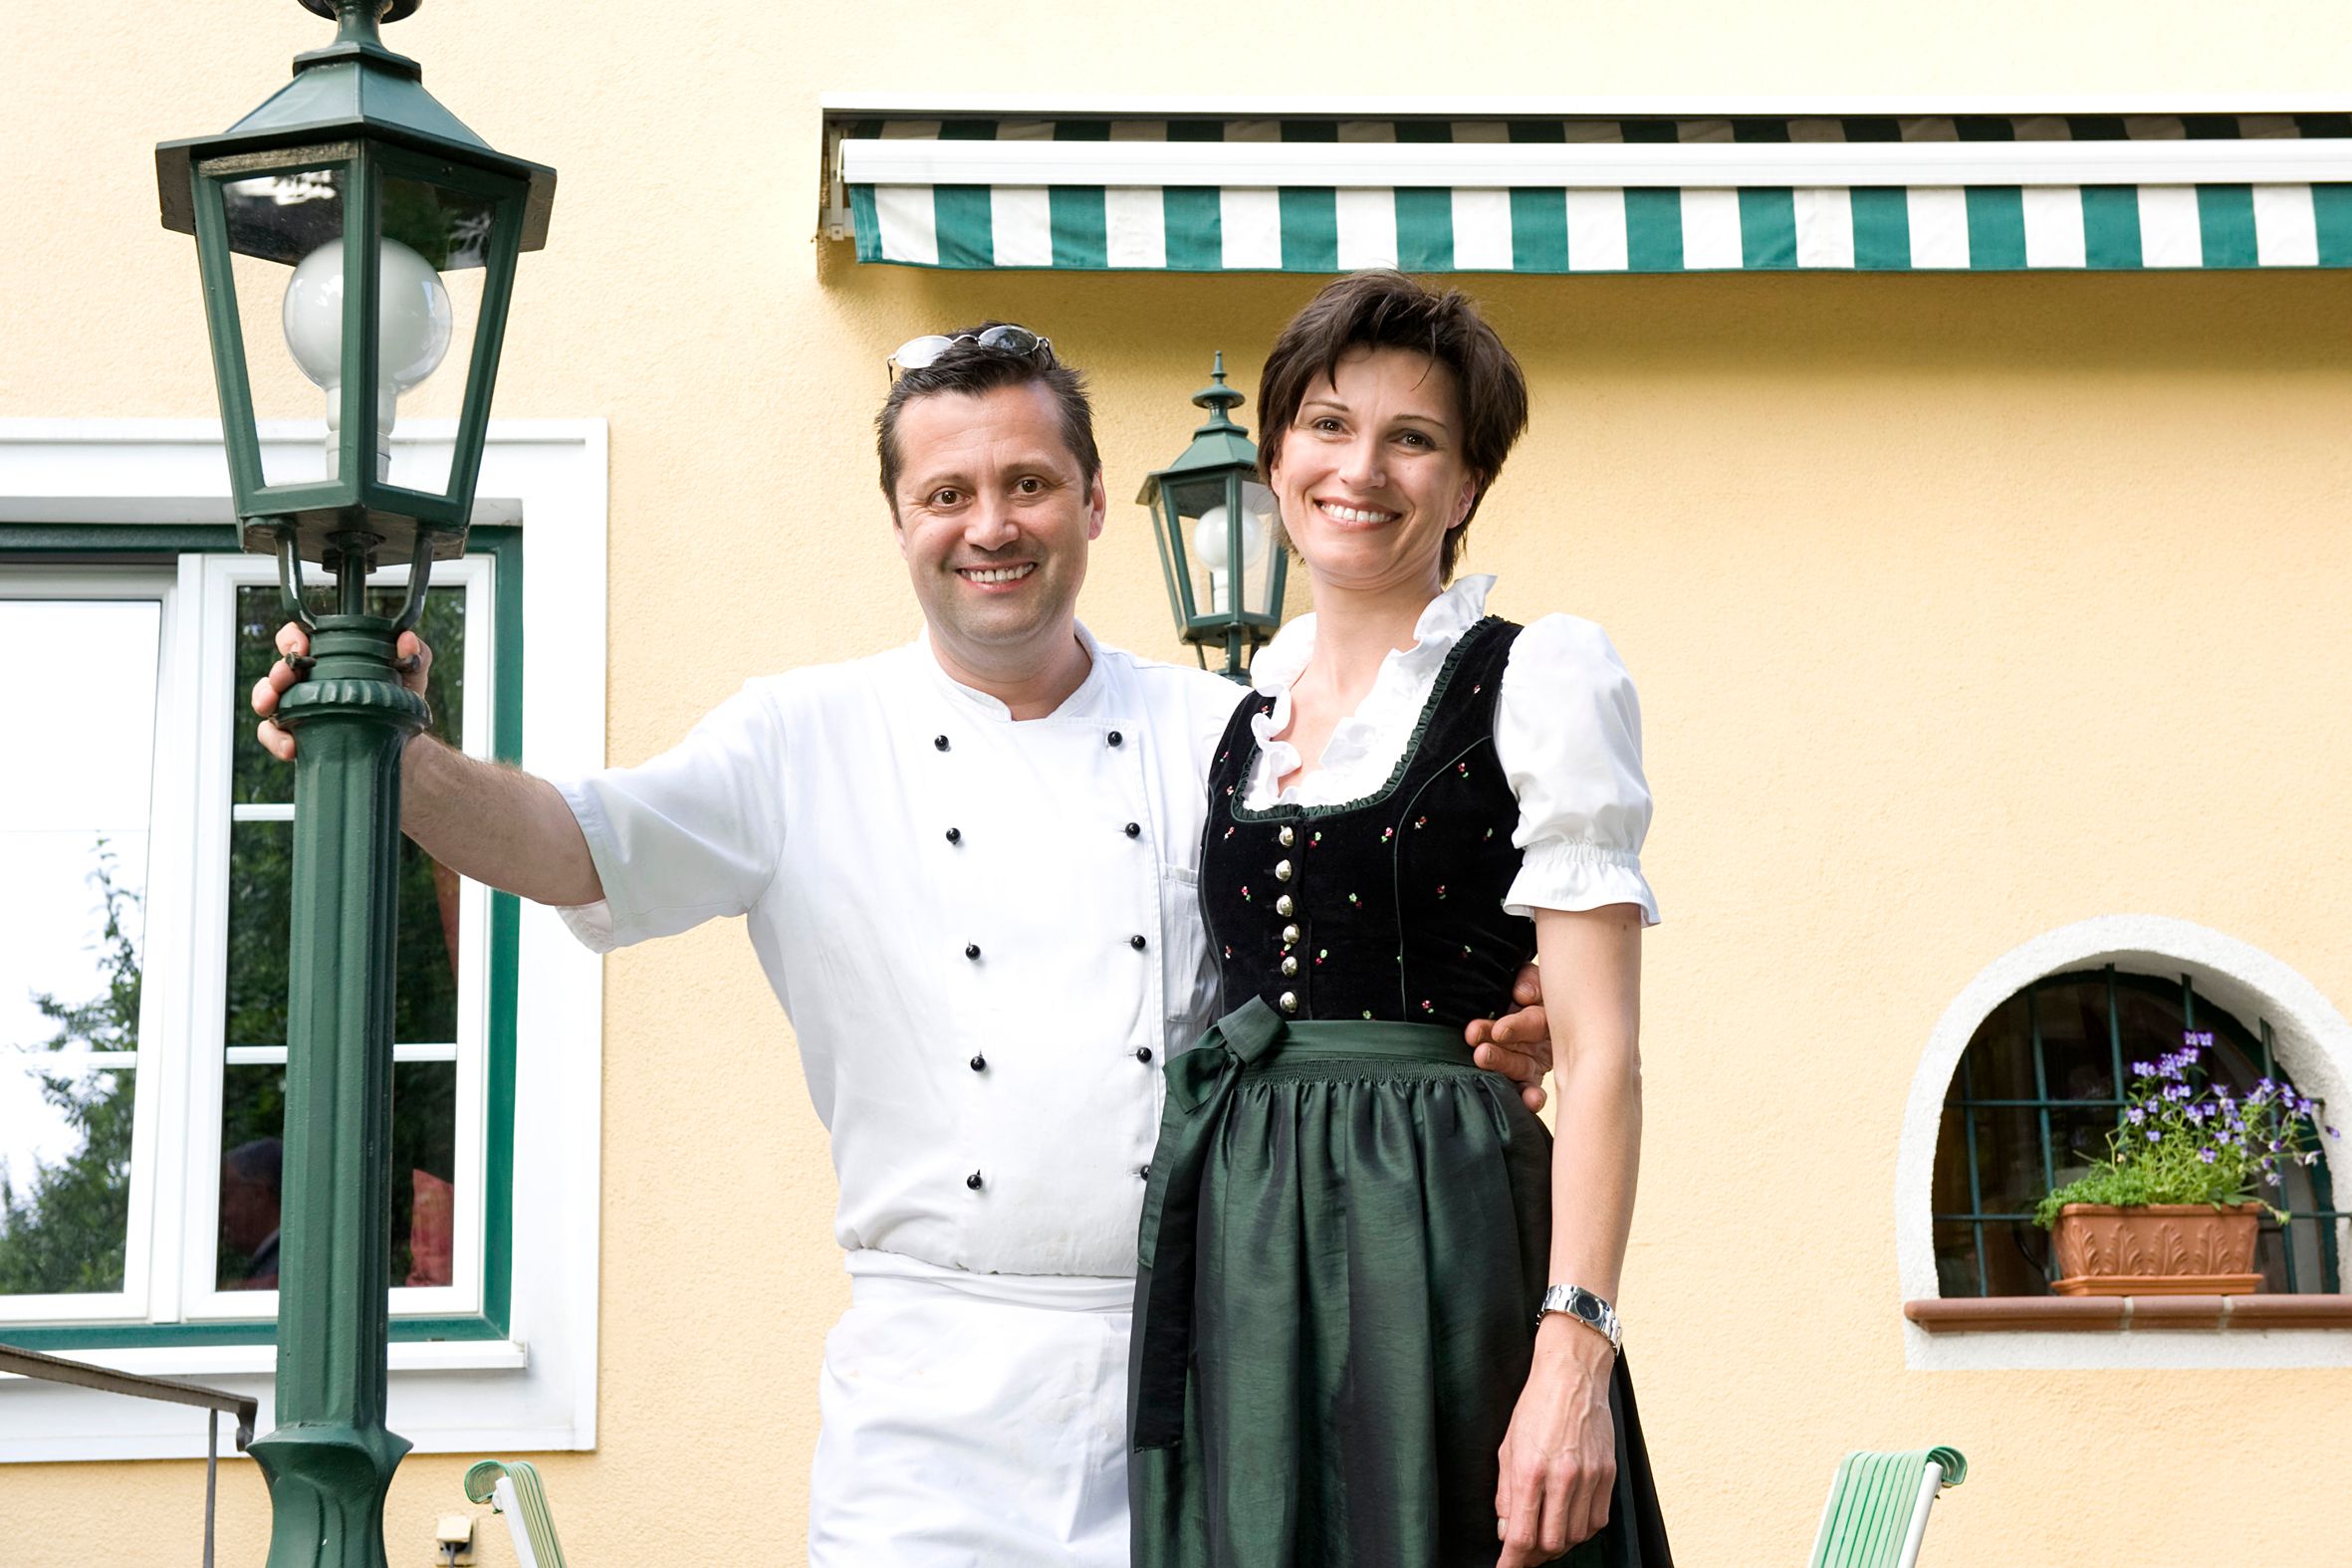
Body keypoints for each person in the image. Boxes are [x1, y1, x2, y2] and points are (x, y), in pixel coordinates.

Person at [253, 325, 1560, 1567]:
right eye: (947, 493)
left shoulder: (1226, 730)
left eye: (1028, 483)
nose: (989, 525)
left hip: (1199, 1364)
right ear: (897, 523)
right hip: (925, 1392)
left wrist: (1510, 1002)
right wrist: (400, 757)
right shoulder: (794, 738)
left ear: (1095, 503)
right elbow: (570, 844)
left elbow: (1373, 923)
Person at [1126, 274, 1674, 1568]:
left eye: (1410, 437)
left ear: (1467, 482)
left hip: (1436, 1227)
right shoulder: (1233, 717)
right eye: (1325, 425)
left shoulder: (1536, 678)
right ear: (1272, 461)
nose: (1358, 468)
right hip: (1247, 1237)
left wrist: (1571, 1353)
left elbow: (1598, 1058)